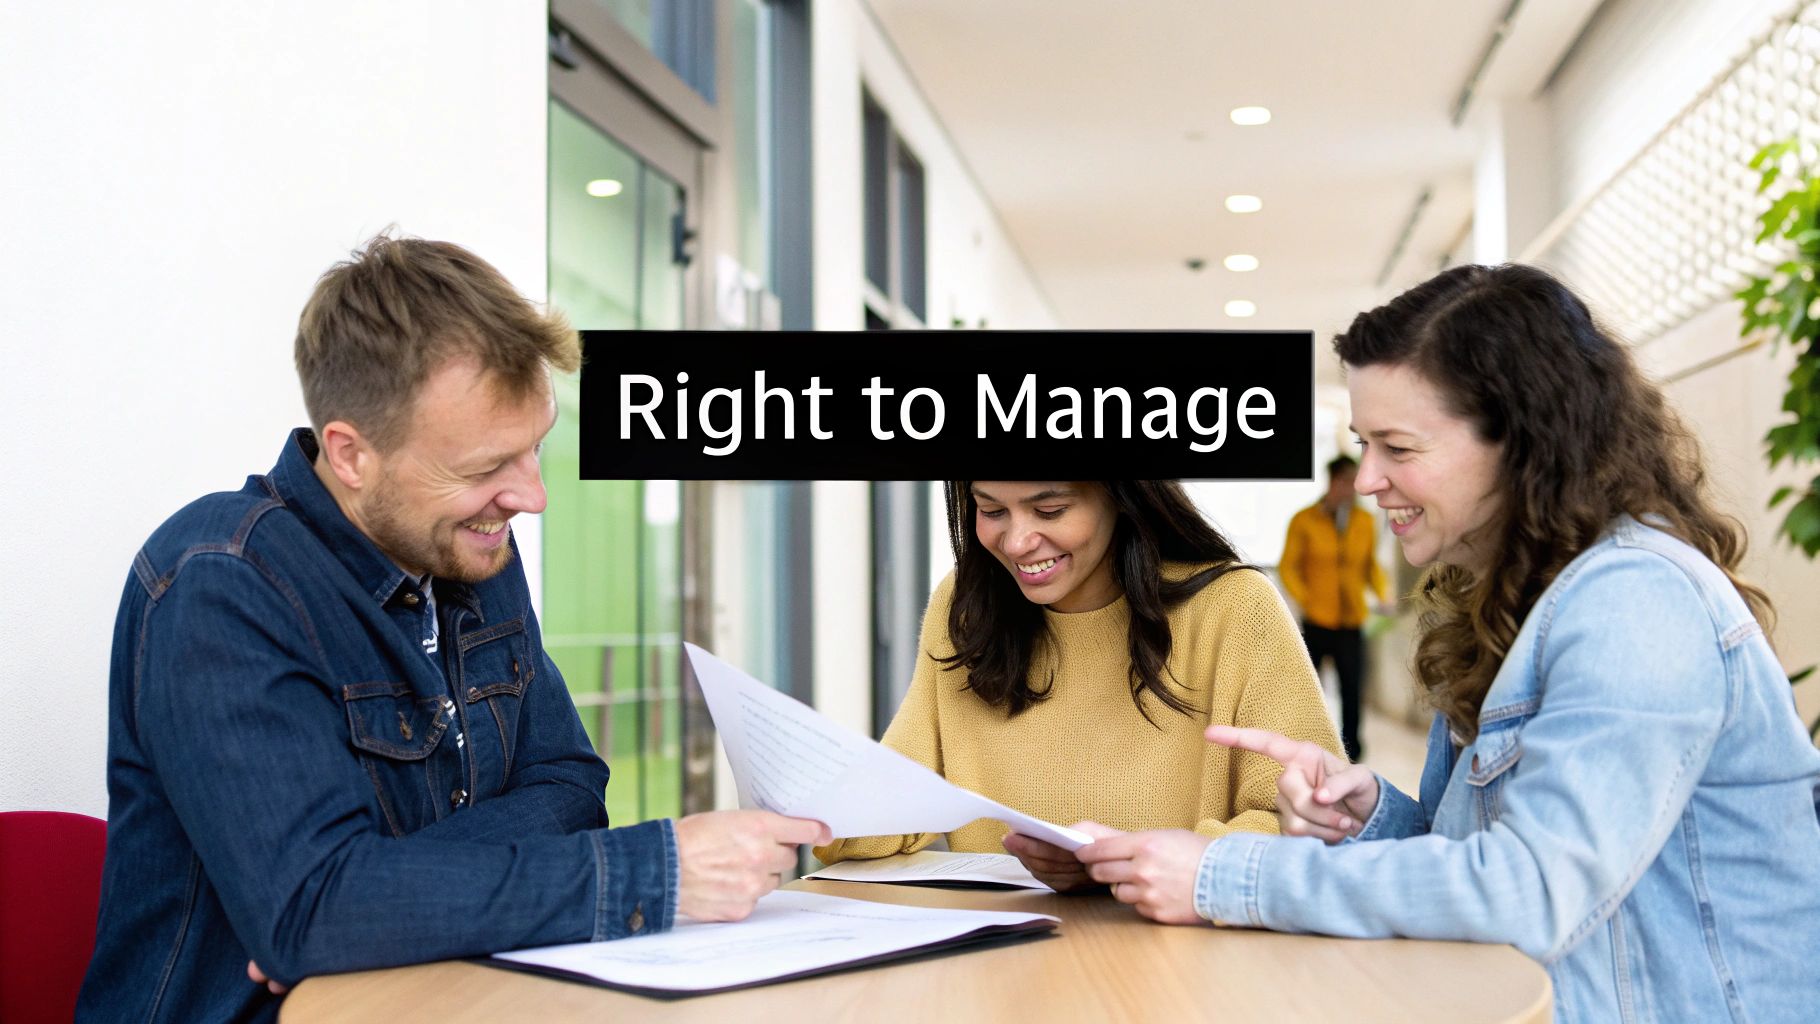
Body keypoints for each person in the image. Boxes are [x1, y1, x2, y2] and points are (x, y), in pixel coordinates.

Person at [78, 234, 828, 1022]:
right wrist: (657, 873)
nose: (530, 498)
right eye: (483, 470)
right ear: (351, 454)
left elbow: (573, 787)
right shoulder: (223, 587)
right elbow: (311, 911)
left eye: (534, 449)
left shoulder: (475, 554)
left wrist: (375, 900)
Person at [1061, 264, 1820, 1021]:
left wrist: (1225, 876)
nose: (1366, 480)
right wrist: (1375, 818)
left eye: (1397, 447)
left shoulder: (1636, 603)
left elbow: (1532, 889)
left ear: (1521, 440)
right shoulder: (1511, 599)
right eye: (1364, 445)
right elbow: (1490, 851)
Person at [813, 481, 1341, 889]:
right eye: (991, 509)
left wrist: (1127, 866)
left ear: (1121, 493)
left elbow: (1312, 828)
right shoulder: (967, 608)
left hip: (1182, 967)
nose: (1017, 541)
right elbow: (895, 800)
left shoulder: (1234, 608)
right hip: (1002, 972)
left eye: (1050, 510)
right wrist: (805, 806)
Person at [1279, 453, 1390, 760]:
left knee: (1351, 688)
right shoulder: (1304, 520)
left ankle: (1352, 749)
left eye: (1353, 482)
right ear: (1332, 481)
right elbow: (1289, 567)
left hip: (1351, 619)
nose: (1350, 489)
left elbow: (1371, 567)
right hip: (1317, 619)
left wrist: (1383, 593)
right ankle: (1304, 743)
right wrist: (1306, 598)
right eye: (1344, 481)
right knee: (1309, 688)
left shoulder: (1364, 522)